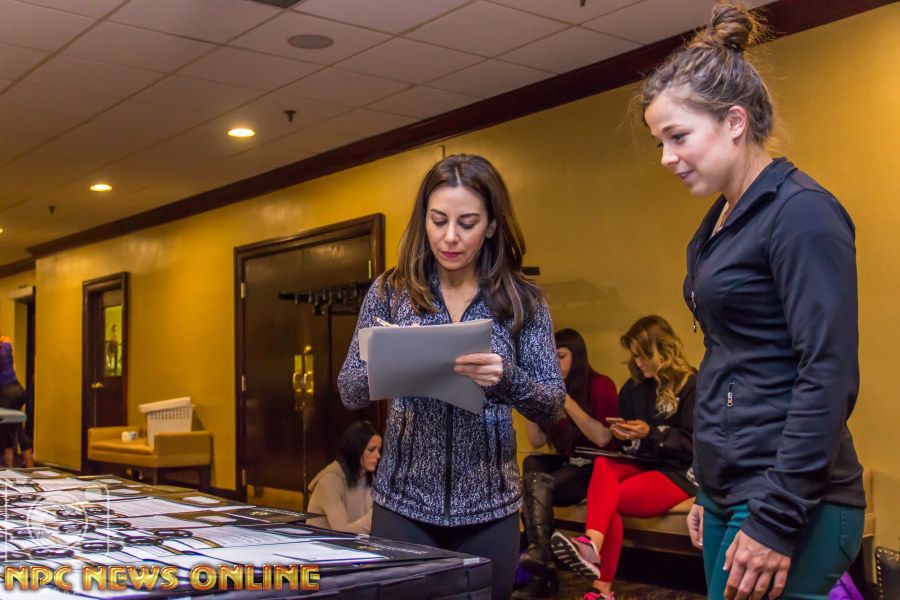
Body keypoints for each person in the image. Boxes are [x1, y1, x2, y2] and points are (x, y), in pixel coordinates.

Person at [637, 3, 865, 599]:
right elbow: (732, 359)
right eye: (660, 141)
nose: (666, 157)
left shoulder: (802, 213)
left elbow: (828, 372)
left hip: (789, 497)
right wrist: (705, 483)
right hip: (730, 489)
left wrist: (776, 517)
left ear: (735, 121)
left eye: (678, 137)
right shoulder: (721, 220)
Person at [338, 153, 565, 599]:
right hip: (403, 504)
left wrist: (508, 380)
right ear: (423, 218)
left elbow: (552, 404)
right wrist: (395, 362)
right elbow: (349, 390)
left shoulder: (523, 300)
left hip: (491, 509)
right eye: (438, 220)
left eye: (468, 223)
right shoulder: (391, 292)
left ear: (492, 225)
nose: (450, 237)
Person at [551, 316, 697, 600]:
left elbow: (693, 444)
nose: (638, 363)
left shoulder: (691, 384)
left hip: (677, 472)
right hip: (644, 464)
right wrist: (627, 436)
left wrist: (650, 432)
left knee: (608, 500)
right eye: (635, 356)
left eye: (643, 355)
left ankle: (600, 584)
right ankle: (592, 547)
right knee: (603, 464)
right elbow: (628, 447)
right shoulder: (634, 388)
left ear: (663, 349)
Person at [515, 328, 618, 599]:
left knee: (536, 486)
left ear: (577, 357)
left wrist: (565, 400)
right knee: (533, 465)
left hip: (595, 468)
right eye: (551, 357)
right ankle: (541, 556)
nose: (555, 363)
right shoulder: (550, 388)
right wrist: (532, 402)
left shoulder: (600, 385)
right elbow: (536, 441)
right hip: (566, 464)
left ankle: (542, 568)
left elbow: (603, 438)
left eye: (561, 356)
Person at [306, 420, 381, 534]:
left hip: (357, 543)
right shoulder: (330, 481)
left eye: (379, 450)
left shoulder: (369, 478)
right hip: (322, 543)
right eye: (371, 450)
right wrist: (374, 518)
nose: (378, 455)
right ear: (355, 450)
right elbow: (341, 532)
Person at [0, 335, 34, 468]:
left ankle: (10, 466)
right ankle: (28, 466)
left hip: (6, 393)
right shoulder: (5, 349)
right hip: (18, 390)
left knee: (8, 429)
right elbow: (7, 338)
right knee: (15, 427)